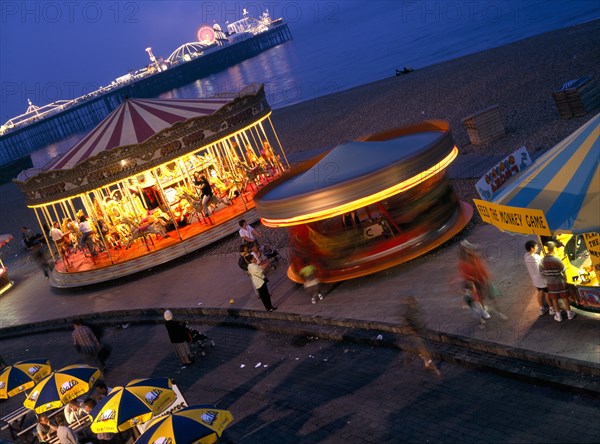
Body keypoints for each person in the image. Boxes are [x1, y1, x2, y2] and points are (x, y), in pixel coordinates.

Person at [401, 296, 441, 377]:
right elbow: (408, 325)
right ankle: (434, 369)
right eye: (414, 301)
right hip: (416, 335)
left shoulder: (416, 309)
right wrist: (414, 333)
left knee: (423, 350)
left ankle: (427, 364)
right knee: (423, 350)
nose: (416, 302)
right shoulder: (408, 313)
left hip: (421, 333)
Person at [540, 241, 575, 322]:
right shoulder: (557, 260)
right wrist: (565, 280)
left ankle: (558, 316)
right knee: (564, 297)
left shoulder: (542, 261)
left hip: (550, 282)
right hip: (560, 280)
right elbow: (563, 271)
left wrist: (548, 278)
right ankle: (569, 314)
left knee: (554, 298)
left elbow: (541, 273)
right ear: (554, 249)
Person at [524, 240, 552, 316]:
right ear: (532, 248)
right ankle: (551, 308)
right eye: (536, 246)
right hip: (541, 279)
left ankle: (541, 308)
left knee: (540, 292)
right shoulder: (535, 258)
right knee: (547, 293)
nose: (537, 247)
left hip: (535, 279)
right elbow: (540, 270)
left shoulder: (526, 256)